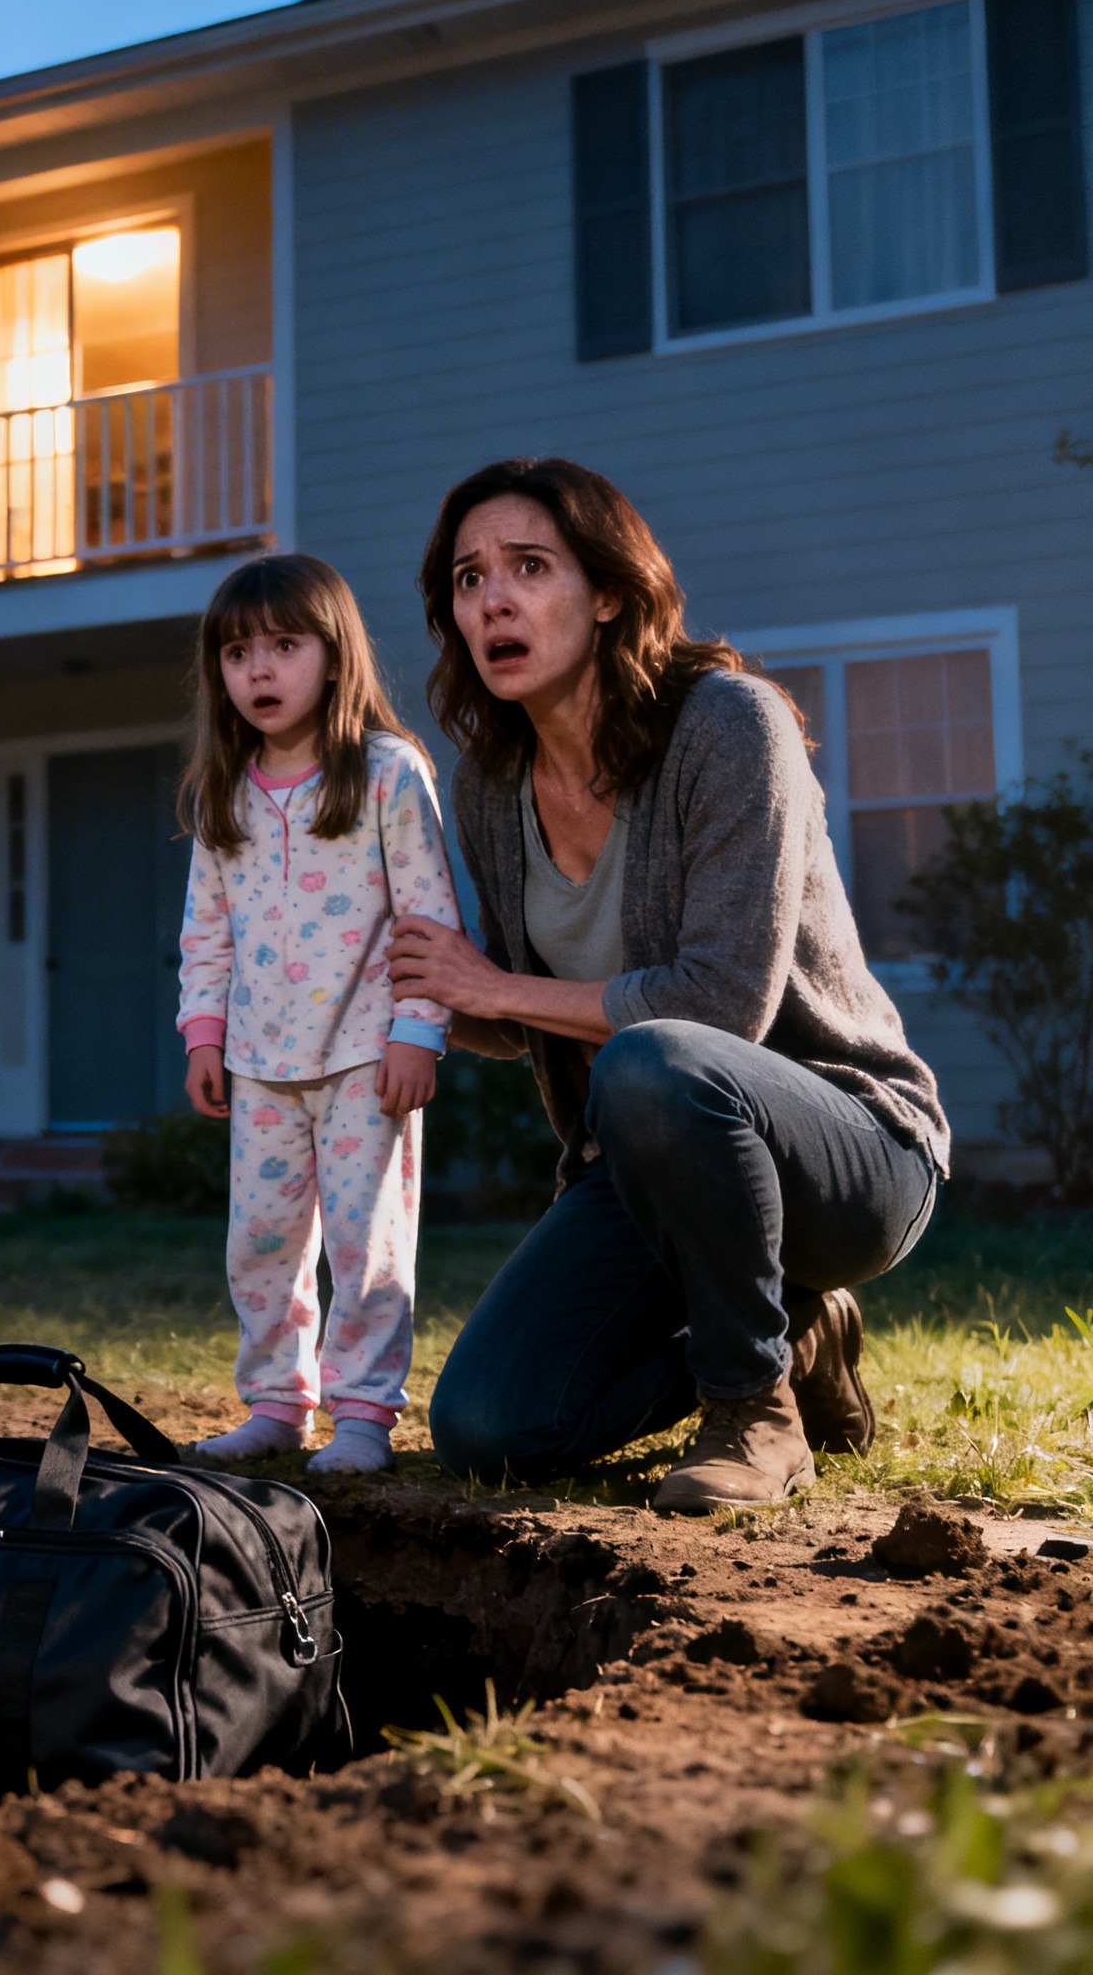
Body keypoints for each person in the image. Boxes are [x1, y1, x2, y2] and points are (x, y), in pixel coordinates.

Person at [388, 459, 947, 1513]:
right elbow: (522, 1018)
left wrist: (494, 987)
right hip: (652, 1159)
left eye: (528, 566)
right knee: (490, 1425)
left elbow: (718, 1003)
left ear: (607, 592)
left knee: (654, 1059)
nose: (492, 599)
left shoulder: (728, 724)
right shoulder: (490, 784)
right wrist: (416, 985)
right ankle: (795, 1337)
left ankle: (752, 1409)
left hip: (851, 1151)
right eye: (467, 578)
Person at [177, 553, 461, 1474]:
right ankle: (276, 1403)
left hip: (365, 1059)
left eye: (284, 646)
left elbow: (428, 918)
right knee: (260, 1241)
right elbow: (206, 934)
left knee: (364, 1242)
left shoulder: (386, 772)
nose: (259, 670)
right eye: (237, 653)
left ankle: (364, 1414)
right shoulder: (223, 793)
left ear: (334, 657)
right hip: (260, 1064)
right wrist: (204, 1035)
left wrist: (418, 1031)